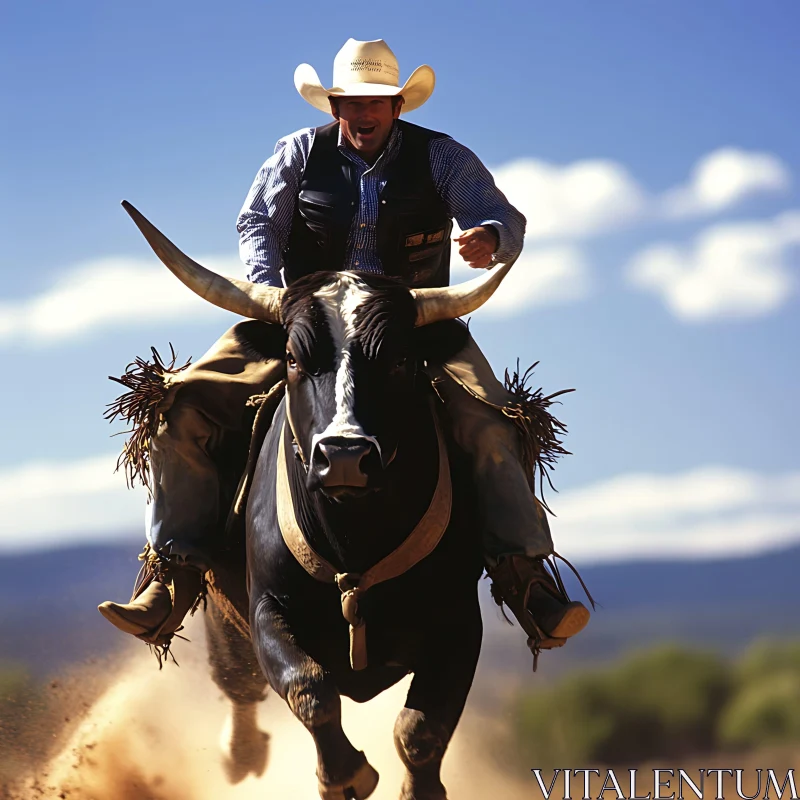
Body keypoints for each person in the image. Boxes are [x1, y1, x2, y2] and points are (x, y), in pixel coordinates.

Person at [99, 38, 591, 664]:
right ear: (333, 104)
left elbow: (501, 215)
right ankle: (172, 575)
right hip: (303, 319)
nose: (364, 114)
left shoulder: (441, 157)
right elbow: (258, 224)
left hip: (411, 326)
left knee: (492, 419)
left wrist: (490, 237)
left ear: (396, 105)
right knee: (184, 404)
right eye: (351, 103)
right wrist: (281, 300)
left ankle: (526, 581)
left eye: (377, 103)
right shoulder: (297, 154)